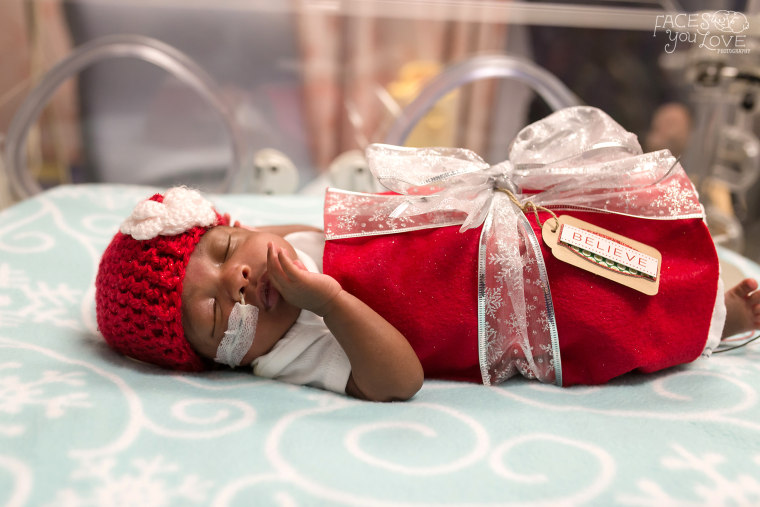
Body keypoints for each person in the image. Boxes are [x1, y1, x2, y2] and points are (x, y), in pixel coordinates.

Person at [95, 109, 760, 403]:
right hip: (489, 309)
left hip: (473, 231)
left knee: (590, 227)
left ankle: (691, 260)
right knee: (600, 314)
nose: (237, 277)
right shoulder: (286, 351)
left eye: (223, 248)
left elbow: (337, 230)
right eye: (215, 313)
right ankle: (715, 321)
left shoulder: (273, 251)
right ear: (221, 362)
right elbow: (398, 378)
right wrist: (327, 299)